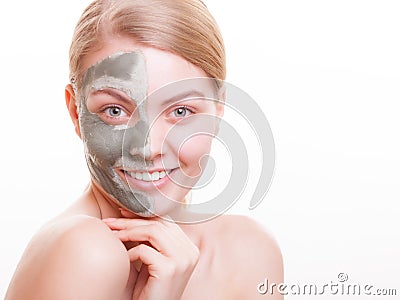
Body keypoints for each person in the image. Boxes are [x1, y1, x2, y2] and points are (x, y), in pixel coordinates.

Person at [5, 0, 283, 299]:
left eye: (180, 111)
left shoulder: (248, 251)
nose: (148, 148)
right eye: (115, 110)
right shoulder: (84, 251)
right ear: (75, 112)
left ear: (218, 111)